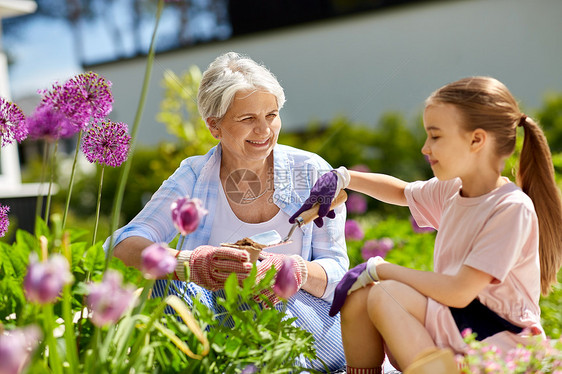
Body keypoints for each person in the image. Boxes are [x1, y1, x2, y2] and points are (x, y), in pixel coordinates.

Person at [293, 76, 562, 373]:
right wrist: (344, 177)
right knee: (357, 298)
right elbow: (401, 192)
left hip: (500, 342)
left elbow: (460, 291)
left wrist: (379, 269)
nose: (425, 147)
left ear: (476, 140)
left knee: (385, 293)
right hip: (461, 323)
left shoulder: (510, 209)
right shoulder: (453, 191)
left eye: (435, 136)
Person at [104, 52, 348, 371]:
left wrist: (292, 270)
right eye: (247, 119)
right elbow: (122, 245)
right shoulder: (193, 175)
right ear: (214, 126)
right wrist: (192, 263)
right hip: (216, 323)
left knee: (263, 311)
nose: (264, 131)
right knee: (167, 278)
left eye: (271, 115)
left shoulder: (311, 170)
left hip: (297, 320)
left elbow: (339, 270)